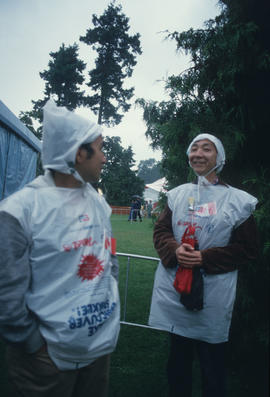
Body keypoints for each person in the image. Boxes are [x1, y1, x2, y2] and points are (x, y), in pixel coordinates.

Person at [0, 99, 120, 397]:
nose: (105, 158)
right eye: (100, 148)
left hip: (97, 350)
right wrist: (32, 344)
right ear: (79, 153)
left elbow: (110, 259)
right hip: (45, 362)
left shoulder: (97, 201)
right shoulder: (21, 210)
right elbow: (6, 292)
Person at [148, 133, 259, 397]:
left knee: (213, 368)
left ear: (219, 158)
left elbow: (248, 249)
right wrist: (176, 248)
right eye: (194, 148)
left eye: (206, 149)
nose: (198, 153)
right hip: (178, 293)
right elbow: (161, 231)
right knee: (178, 364)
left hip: (213, 296)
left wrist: (204, 258)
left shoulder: (238, 201)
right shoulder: (178, 196)